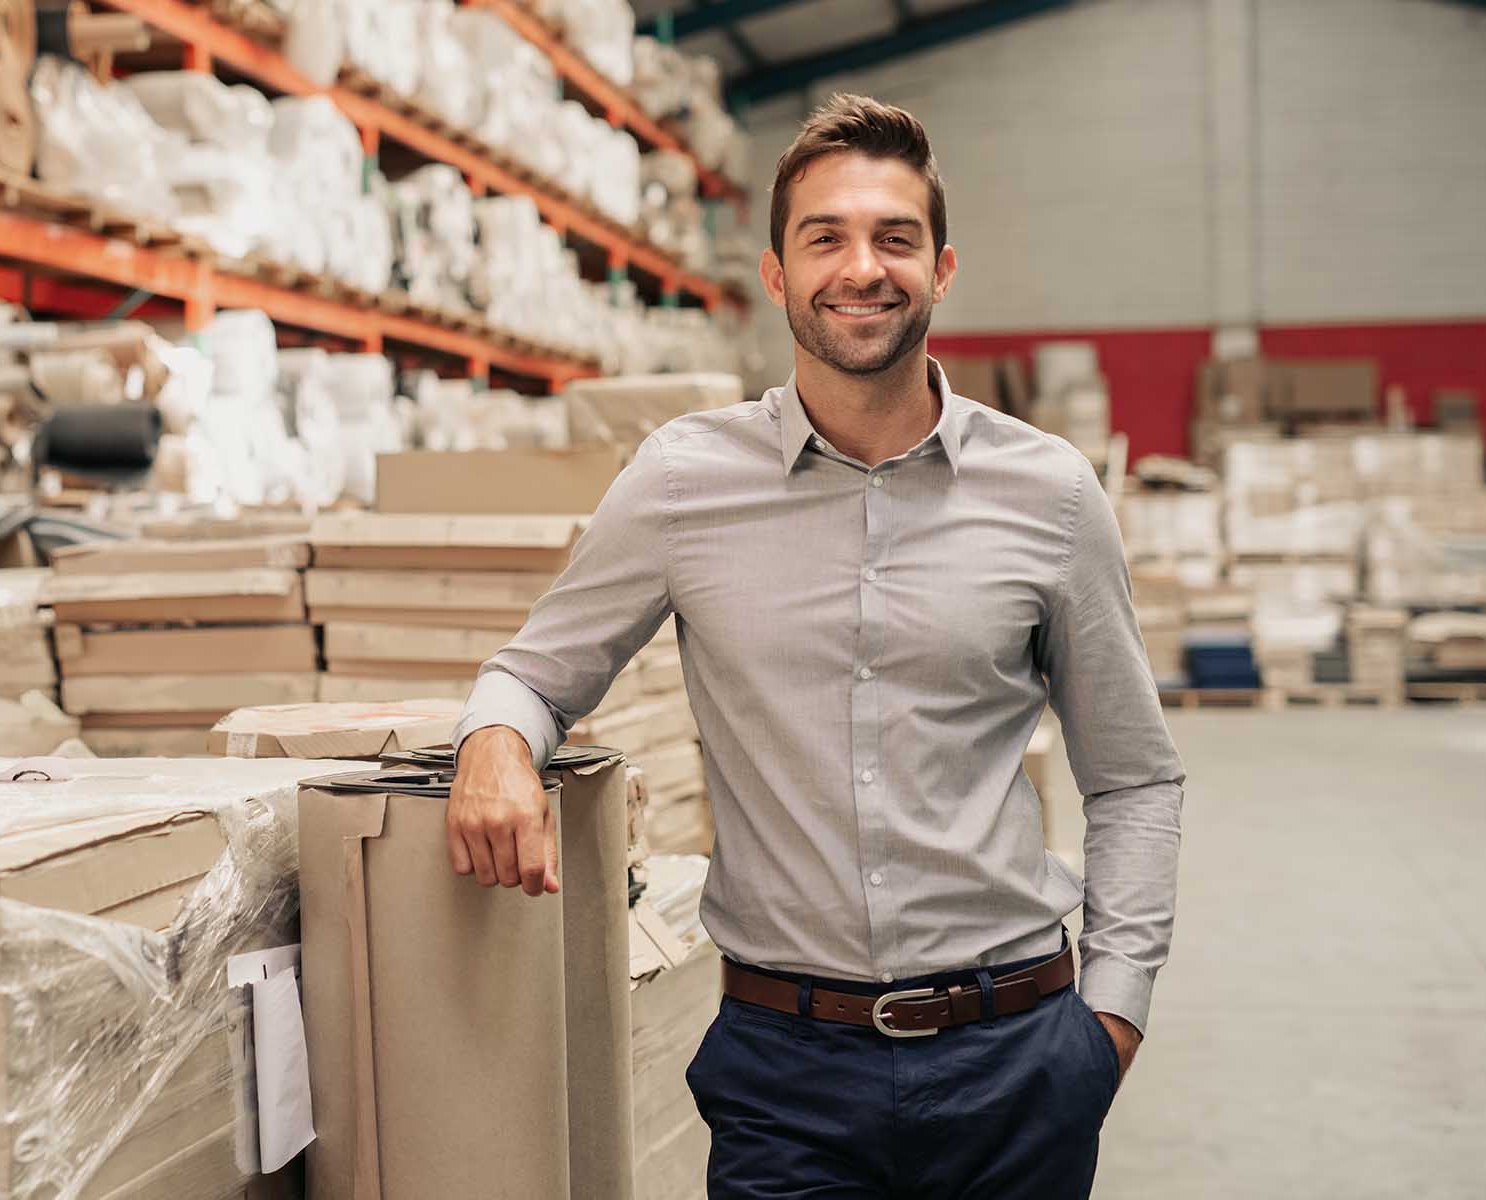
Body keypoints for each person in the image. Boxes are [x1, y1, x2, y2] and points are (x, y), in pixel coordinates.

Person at [446, 93, 1184, 1199]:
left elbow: (1133, 774)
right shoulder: (685, 482)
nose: (861, 268)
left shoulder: (1049, 494)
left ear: (939, 269)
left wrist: (1110, 1020)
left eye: (895, 238)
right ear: (776, 272)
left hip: (1014, 1056)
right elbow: (535, 673)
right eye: (825, 237)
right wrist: (494, 742)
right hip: (788, 1069)